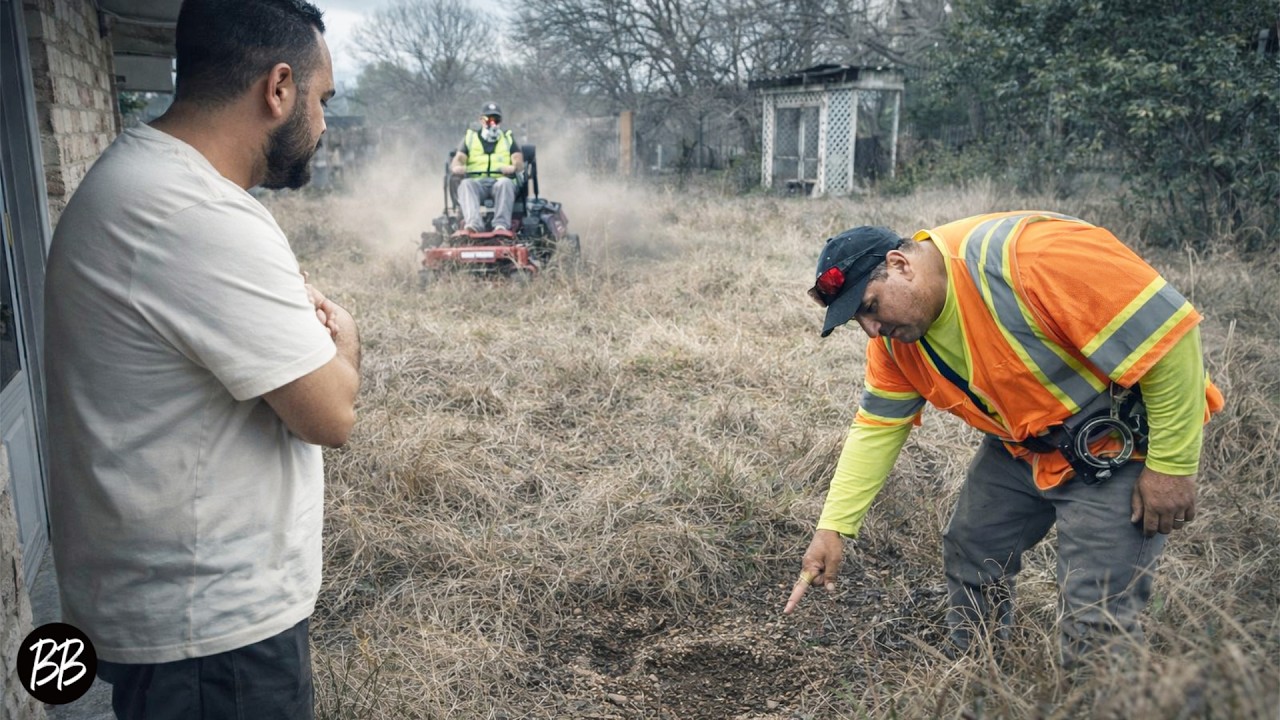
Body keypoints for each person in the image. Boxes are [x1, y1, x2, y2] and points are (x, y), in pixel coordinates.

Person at [43, 0, 360, 716]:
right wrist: (347, 334)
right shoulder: (196, 215)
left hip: (187, 623)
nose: (324, 123)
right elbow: (331, 412)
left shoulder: (144, 181)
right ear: (279, 89)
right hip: (214, 642)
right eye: (322, 100)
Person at [783, 212, 1223, 668]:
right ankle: (981, 678)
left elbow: (1170, 343)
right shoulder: (896, 343)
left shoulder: (1034, 257)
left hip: (1114, 447)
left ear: (900, 265)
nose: (872, 331)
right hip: (1021, 447)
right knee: (973, 547)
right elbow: (877, 428)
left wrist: (1171, 466)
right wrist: (832, 528)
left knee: (1095, 617)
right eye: (859, 320)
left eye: (871, 307)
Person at [449, 101, 524, 238]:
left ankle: (501, 226)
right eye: (488, 119)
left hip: (499, 183)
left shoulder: (507, 138)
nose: (492, 123)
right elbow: (459, 158)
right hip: (478, 184)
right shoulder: (470, 138)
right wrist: (457, 167)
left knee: (505, 183)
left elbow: (518, 160)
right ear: (481, 120)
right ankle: (473, 225)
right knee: (465, 184)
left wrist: (513, 167)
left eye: (496, 119)